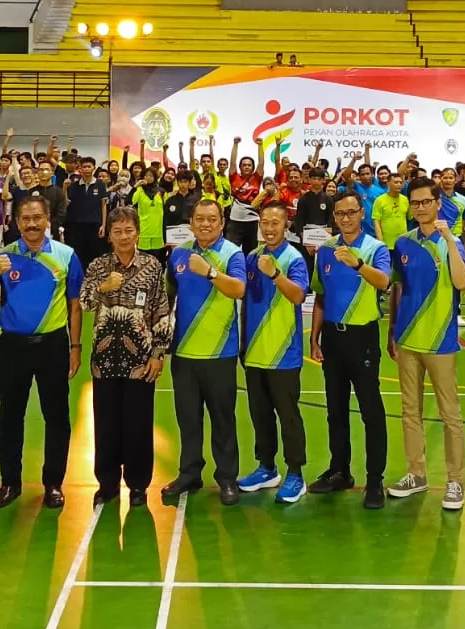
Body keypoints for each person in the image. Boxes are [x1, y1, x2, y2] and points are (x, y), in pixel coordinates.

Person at [0, 193, 84, 510]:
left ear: (47, 220)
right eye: (25, 219)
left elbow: (75, 305)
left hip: (52, 345)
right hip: (12, 346)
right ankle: (10, 483)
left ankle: (53, 483)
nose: (31, 224)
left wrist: (75, 346)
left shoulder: (67, 256)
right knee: (9, 416)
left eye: (37, 218)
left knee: (56, 416)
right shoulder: (3, 256)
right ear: (16, 222)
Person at [386, 176, 465, 511]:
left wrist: (449, 238)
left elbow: (462, 283)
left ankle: (455, 481)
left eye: (426, 202)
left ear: (438, 203)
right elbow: (397, 288)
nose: (420, 207)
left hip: (441, 341)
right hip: (407, 340)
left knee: (450, 413)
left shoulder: (452, 242)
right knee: (410, 411)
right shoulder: (404, 243)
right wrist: (392, 330)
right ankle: (416, 473)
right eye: (415, 202)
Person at [80, 206, 171, 506]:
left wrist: (158, 353)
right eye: (117, 231)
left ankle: (138, 486)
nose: (123, 237)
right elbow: (83, 302)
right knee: (105, 426)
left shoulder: (152, 266)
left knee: (138, 426)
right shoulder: (97, 267)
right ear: (109, 236)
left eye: (128, 231)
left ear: (137, 233)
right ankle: (106, 484)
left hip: (140, 363)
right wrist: (104, 287)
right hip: (104, 362)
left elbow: (161, 310)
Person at [308, 191, 392, 509]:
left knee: (371, 410)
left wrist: (357, 263)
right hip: (333, 336)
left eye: (351, 212)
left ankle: (375, 480)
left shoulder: (375, 248)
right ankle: (340, 470)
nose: (345, 218)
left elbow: (384, 282)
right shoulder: (326, 251)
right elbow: (320, 296)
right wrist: (314, 338)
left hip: (363, 338)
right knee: (336, 409)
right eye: (340, 214)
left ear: (361, 214)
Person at [161, 198, 247, 506]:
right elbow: (168, 296)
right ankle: (189, 473)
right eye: (200, 219)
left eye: (212, 219)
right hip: (183, 353)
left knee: (223, 420)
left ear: (222, 222)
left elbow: (239, 289)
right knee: (188, 419)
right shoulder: (179, 254)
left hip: (220, 354)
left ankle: (227, 478)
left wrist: (210, 273)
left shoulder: (232, 253)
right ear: (192, 222)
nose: (206, 224)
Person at [239, 201, 310, 504]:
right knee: (260, 415)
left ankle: (296, 473)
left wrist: (275, 274)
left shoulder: (294, 258)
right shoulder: (252, 256)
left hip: (284, 353)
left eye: (275, 223)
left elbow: (298, 295)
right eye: (264, 222)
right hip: (254, 352)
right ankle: (267, 467)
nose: (269, 228)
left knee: (288, 415)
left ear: (286, 226)